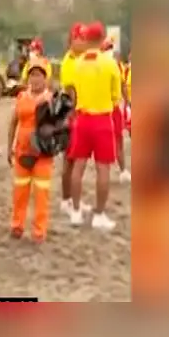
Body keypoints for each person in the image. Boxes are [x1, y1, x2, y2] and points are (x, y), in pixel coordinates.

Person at [68, 21, 122, 230]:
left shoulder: (78, 63)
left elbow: (74, 90)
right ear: (101, 39)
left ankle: (75, 211)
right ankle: (99, 214)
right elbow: (115, 95)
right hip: (102, 120)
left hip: (82, 119)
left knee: (78, 166)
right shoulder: (110, 64)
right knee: (103, 169)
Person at [7, 57, 54, 242]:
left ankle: (39, 231)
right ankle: (17, 226)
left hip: (42, 154)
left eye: (39, 75)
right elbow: (13, 123)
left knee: (42, 194)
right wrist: (11, 146)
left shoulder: (51, 100)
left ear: (46, 78)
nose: (35, 79)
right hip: (22, 152)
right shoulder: (21, 97)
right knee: (20, 192)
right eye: (32, 75)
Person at [58, 23, 88, 217]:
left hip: (79, 113)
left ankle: (71, 198)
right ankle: (67, 199)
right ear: (72, 40)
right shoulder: (69, 61)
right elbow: (70, 92)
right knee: (70, 160)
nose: (84, 42)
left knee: (76, 159)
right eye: (80, 38)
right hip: (71, 115)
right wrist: (73, 116)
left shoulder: (80, 59)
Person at [102, 38, 131, 184]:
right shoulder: (99, 66)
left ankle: (123, 170)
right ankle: (104, 172)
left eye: (111, 48)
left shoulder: (117, 65)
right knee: (104, 142)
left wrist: (127, 102)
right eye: (107, 48)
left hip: (114, 108)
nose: (110, 51)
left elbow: (123, 84)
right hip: (101, 108)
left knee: (119, 139)